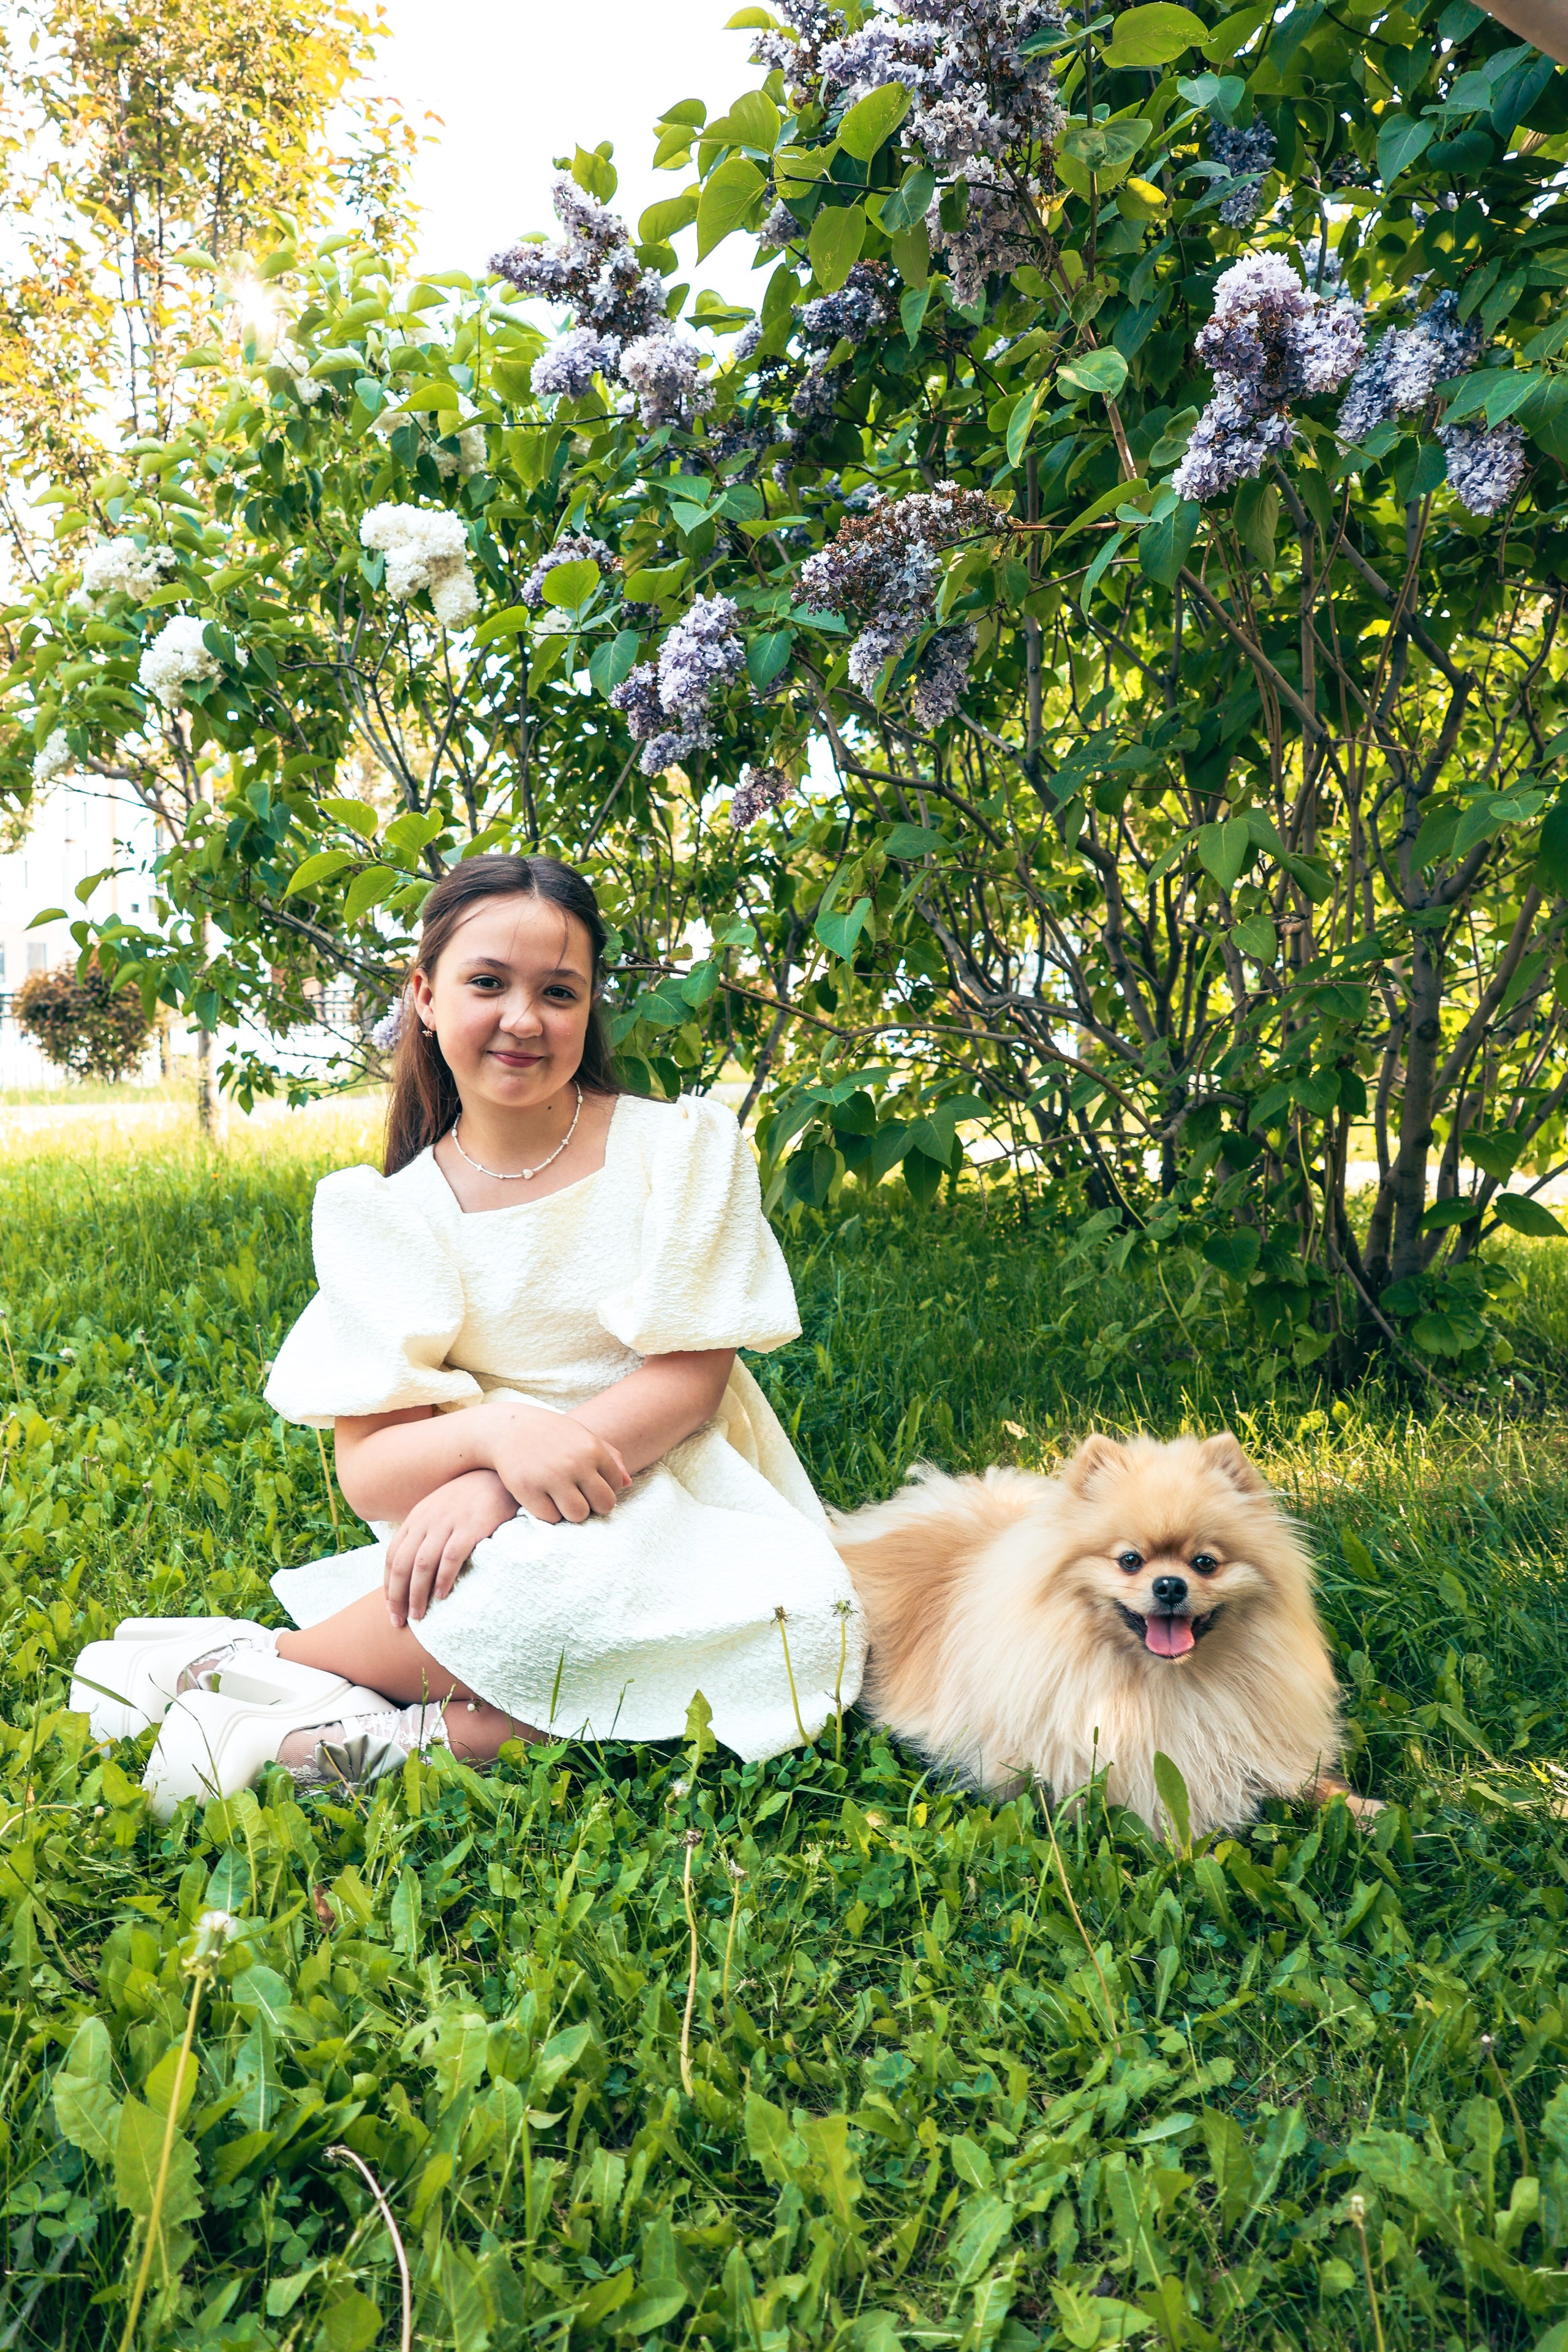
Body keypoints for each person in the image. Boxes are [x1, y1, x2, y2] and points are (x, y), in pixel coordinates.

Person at [81, 853, 864, 1804]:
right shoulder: (394, 1215)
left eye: (559, 992)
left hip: (674, 1485)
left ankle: (307, 1716)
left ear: (590, 1008)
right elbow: (371, 1469)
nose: (523, 1019)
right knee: (551, 1609)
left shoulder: (677, 1151)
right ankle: (255, 1667)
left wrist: (500, 1488)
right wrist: (497, 1441)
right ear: (424, 994)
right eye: (487, 982)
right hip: (509, 1542)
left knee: (806, 1638)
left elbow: (689, 1384)